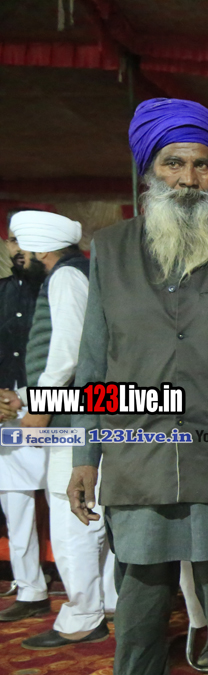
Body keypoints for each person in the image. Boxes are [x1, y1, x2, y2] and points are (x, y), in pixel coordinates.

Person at [67, 98, 208, 675]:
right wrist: (83, 457)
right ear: (148, 170)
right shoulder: (110, 250)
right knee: (138, 620)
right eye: (173, 163)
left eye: (201, 165)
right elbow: (93, 365)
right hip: (138, 461)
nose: (187, 179)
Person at [6, 211, 117, 648]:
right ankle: (108, 603)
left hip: (72, 416)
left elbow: (70, 351)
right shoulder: (76, 272)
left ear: (41, 248)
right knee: (91, 511)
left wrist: (40, 405)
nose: (16, 254)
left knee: (71, 514)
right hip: (86, 412)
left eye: (20, 246)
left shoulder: (66, 277)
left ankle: (82, 617)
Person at [0, 221, 49, 622]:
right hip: (6, 411)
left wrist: (32, 398)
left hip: (59, 409)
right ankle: (30, 589)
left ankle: (102, 595)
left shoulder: (62, 286)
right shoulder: (0, 292)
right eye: (14, 240)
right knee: (14, 503)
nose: (19, 249)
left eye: (27, 241)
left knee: (72, 501)